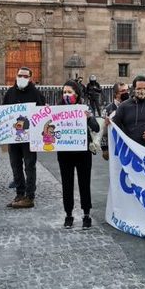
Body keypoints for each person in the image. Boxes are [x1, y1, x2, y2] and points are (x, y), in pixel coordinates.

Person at [57, 81, 100, 229]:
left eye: (69, 92)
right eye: (64, 92)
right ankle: (68, 214)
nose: (66, 95)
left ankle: (86, 214)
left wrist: (88, 118)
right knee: (67, 184)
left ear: (76, 93)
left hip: (83, 153)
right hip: (64, 154)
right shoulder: (57, 110)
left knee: (84, 183)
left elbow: (96, 127)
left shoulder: (85, 108)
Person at [3, 67, 46, 208]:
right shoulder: (9, 93)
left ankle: (29, 196)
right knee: (15, 166)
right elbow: (3, 114)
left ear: (30, 78)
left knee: (29, 166)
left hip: (29, 139)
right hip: (13, 138)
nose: (22, 77)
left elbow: (42, 115)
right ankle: (19, 194)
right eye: (20, 75)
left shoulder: (36, 94)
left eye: (25, 76)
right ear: (16, 76)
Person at [101, 82, 129, 160]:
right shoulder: (107, 109)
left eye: (127, 90)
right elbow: (102, 131)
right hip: (114, 146)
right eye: (123, 91)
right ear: (116, 94)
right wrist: (105, 148)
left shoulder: (133, 106)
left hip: (130, 146)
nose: (126, 93)